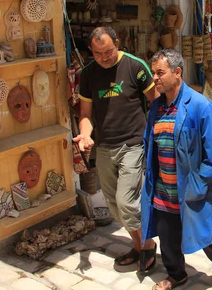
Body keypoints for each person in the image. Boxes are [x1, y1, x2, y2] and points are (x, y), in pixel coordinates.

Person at [142, 49, 212, 290]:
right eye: (153, 73)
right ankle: (176, 275)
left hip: (191, 188)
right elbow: (150, 144)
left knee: (205, 234)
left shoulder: (200, 106)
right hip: (163, 189)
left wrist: (198, 184)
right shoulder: (156, 108)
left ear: (177, 72)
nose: (155, 78)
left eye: (160, 72)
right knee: (167, 237)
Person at [74, 26, 158, 273]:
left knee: (127, 202)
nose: (105, 57)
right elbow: (86, 114)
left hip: (133, 144)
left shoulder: (135, 67)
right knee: (113, 205)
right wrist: (85, 135)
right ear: (91, 51)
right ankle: (137, 245)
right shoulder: (88, 74)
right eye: (98, 53)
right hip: (104, 148)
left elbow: (155, 101)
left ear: (118, 43)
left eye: (109, 51)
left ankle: (148, 245)